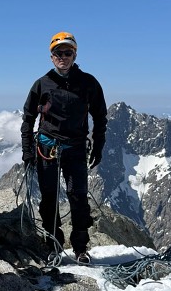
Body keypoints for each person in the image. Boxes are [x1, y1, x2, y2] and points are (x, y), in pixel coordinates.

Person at [20, 31, 107, 265]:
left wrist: (98, 146)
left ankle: (80, 247)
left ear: (74, 55)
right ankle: (53, 245)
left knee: (78, 198)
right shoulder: (42, 84)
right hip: (47, 148)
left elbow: (100, 116)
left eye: (68, 53)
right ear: (51, 57)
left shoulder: (88, 83)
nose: (63, 57)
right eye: (58, 53)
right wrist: (27, 150)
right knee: (49, 198)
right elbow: (28, 118)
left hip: (75, 148)